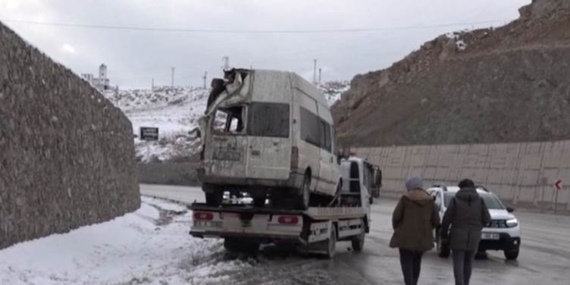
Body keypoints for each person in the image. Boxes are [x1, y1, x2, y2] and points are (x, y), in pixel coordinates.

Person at [390, 177, 440, 285]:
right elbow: (436, 220)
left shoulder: (405, 199)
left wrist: (398, 229)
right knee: (417, 262)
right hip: (422, 238)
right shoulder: (430, 200)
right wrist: (428, 229)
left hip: (405, 238)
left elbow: (396, 216)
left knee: (406, 263)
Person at [441, 179, 491, 285]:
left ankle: (459, 283)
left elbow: (447, 219)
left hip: (457, 235)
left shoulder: (455, 200)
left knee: (458, 262)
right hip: (474, 236)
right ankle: (466, 283)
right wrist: (478, 227)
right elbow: (487, 218)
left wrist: (444, 235)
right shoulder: (480, 201)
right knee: (469, 262)